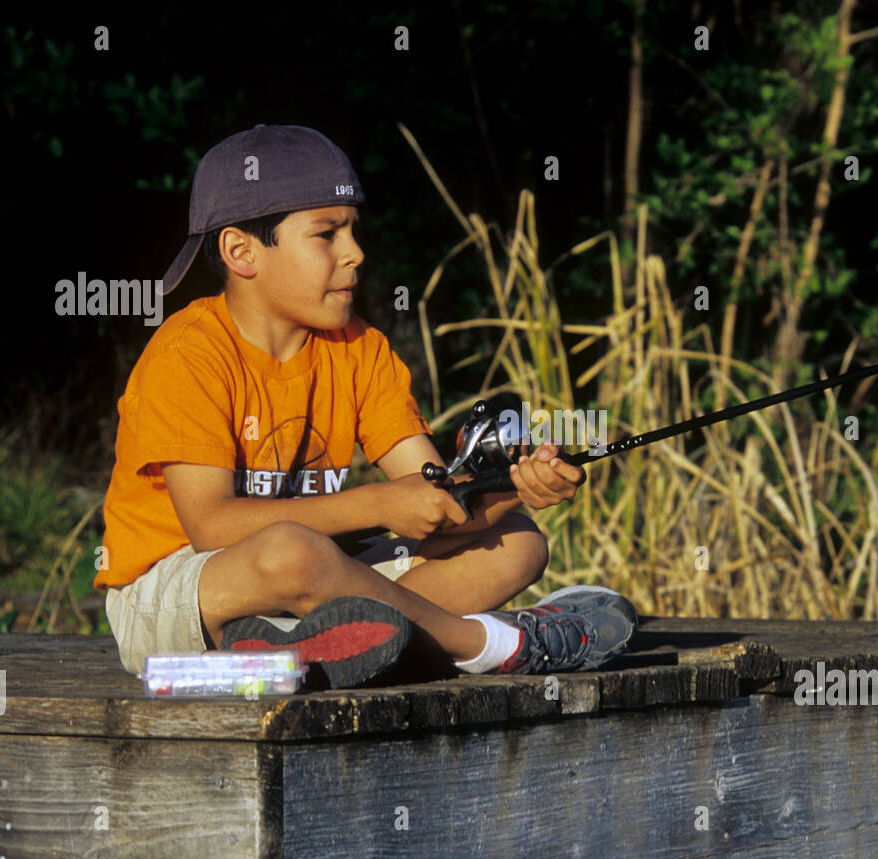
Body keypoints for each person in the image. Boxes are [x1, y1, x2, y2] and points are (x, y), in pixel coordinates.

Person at [92, 124, 636, 687]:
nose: (356, 253)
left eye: (354, 231)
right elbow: (212, 527)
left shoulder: (361, 349)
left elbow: (434, 501)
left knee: (517, 542)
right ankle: (491, 643)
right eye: (327, 234)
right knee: (291, 553)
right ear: (241, 250)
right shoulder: (189, 354)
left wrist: (516, 487)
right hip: (176, 596)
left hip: (313, 581)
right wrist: (378, 503)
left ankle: (303, 646)